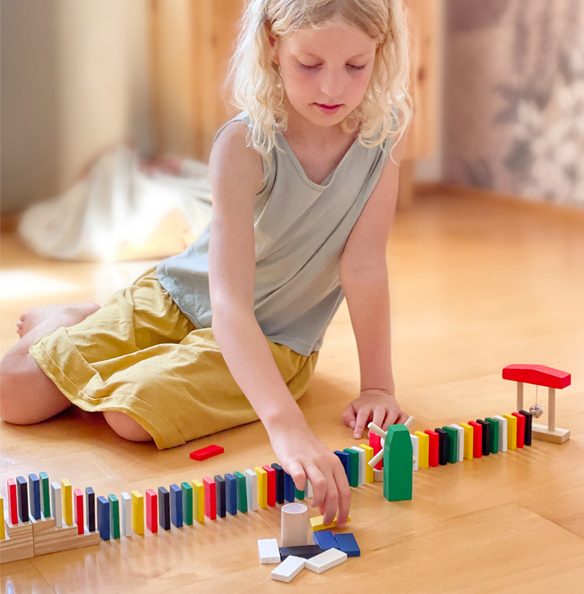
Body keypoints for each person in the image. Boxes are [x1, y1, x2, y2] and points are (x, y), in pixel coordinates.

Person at [0, 0, 413, 526]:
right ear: (272, 45)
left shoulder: (383, 136)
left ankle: (101, 341)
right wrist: (285, 426)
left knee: (131, 417)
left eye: (356, 66)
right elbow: (228, 301)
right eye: (310, 64)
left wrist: (378, 386)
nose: (333, 88)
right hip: (185, 295)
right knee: (13, 393)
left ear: (381, 51)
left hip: (275, 340)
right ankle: (70, 319)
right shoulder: (243, 144)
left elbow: (365, 267)